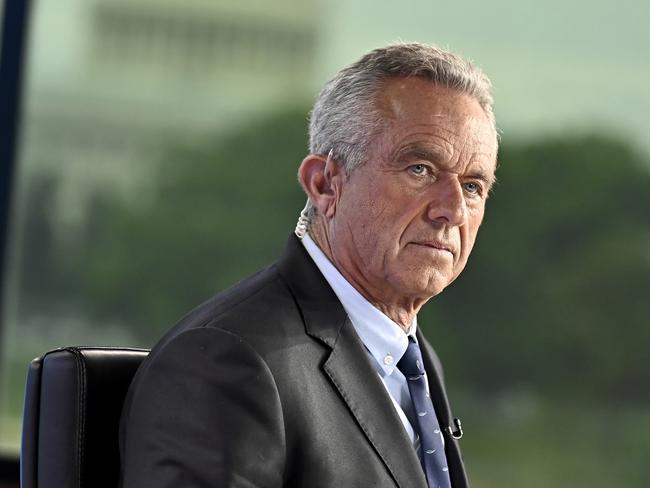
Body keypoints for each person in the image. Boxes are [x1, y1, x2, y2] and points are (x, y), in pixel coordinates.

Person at [119, 42, 498, 488]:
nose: (452, 209)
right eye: (420, 169)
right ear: (325, 184)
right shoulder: (224, 361)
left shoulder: (414, 359)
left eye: (473, 186)